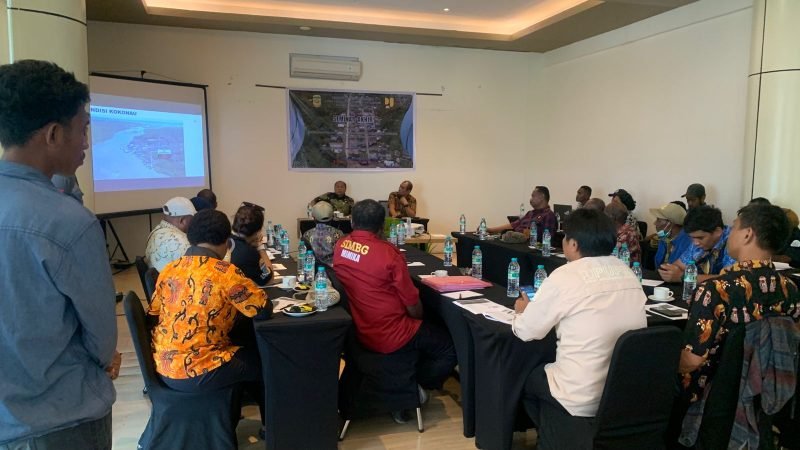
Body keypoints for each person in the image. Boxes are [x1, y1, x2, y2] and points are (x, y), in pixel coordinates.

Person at [0, 59, 120, 448]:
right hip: (60, 422)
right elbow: (101, 338)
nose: (87, 142)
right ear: (53, 134)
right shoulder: (69, 222)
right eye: (84, 128)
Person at [512, 209, 646, 444]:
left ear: (572, 243)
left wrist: (523, 311)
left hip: (578, 395)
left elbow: (527, 331)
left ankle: (556, 435)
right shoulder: (628, 274)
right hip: (622, 394)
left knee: (524, 375)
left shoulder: (565, 276)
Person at [674, 203, 799, 448]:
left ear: (747, 234)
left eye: (735, 227)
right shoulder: (790, 289)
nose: (730, 233)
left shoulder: (717, 289)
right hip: (764, 396)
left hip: (711, 401)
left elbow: (693, 360)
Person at [333, 199, 456, 422]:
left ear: (352, 221)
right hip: (392, 333)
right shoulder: (389, 254)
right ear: (382, 226)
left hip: (357, 332)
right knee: (448, 347)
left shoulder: (341, 246)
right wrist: (420, 317)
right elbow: (412, 303)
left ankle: (398, 387)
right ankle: (411, 389)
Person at [149, 209, 271, 431]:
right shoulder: (225, 272)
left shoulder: (169, 270)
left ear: (190, 236)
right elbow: (262, 309)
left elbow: (153, 315)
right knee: (265, 363)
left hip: (164, 367)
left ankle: (229, 415)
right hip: (202, 368)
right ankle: (268, 427)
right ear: (226, 241)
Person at [658, 205, 735, 283]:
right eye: (692, 238)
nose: (695, 243)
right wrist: (670, 271)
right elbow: (679, 266)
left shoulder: (734, 242)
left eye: (700, 238)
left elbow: (729, 279)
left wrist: (684, 277)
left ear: (717, 232)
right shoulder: (698, 240)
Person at [145, 196, 196, 272]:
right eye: (192, 219)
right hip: (173, 282)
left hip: (161, 280)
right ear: (182, 220)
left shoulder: (155, 231)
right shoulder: (179, 242)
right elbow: (195, 271)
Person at [487, 186, 557, 241]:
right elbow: (513, 225)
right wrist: (490, 230)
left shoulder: (548, 215)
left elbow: (547, 239)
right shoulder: (530, 213)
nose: (530, 199)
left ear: (541, 197)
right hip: (515, 242)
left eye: (533, 196)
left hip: (528, 247)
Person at [230, 202, 274, 286]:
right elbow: (269, 280)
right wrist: (260, 246)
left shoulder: (224, 240)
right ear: (258, 230)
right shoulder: (250, 253)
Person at [648, 202, 692, 267]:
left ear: (670, 223)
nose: (655, 223)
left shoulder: (687, 242)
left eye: (658, 220)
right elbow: (658, 263)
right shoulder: (664, 237)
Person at [302, 201, 344, 266]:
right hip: (333, 272)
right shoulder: (339, 234)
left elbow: (303, 256)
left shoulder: (307, 235)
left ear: (313, 217)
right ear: (332, 217)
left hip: (312, 270)